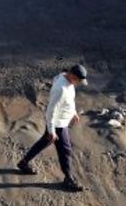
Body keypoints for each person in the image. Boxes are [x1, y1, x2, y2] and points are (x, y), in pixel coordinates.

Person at [17, 64, 88, 192]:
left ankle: (23, 163)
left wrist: (73, 112)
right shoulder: (61, 89)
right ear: (72, 76)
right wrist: (52, 131)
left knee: (44, 142)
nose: (79, 83)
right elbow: (50, 111)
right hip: (58, 124)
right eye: (79, 80)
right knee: (65, 150)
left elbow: (69, 100)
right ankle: (68, 179)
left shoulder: (64, 77)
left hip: (62, 121)